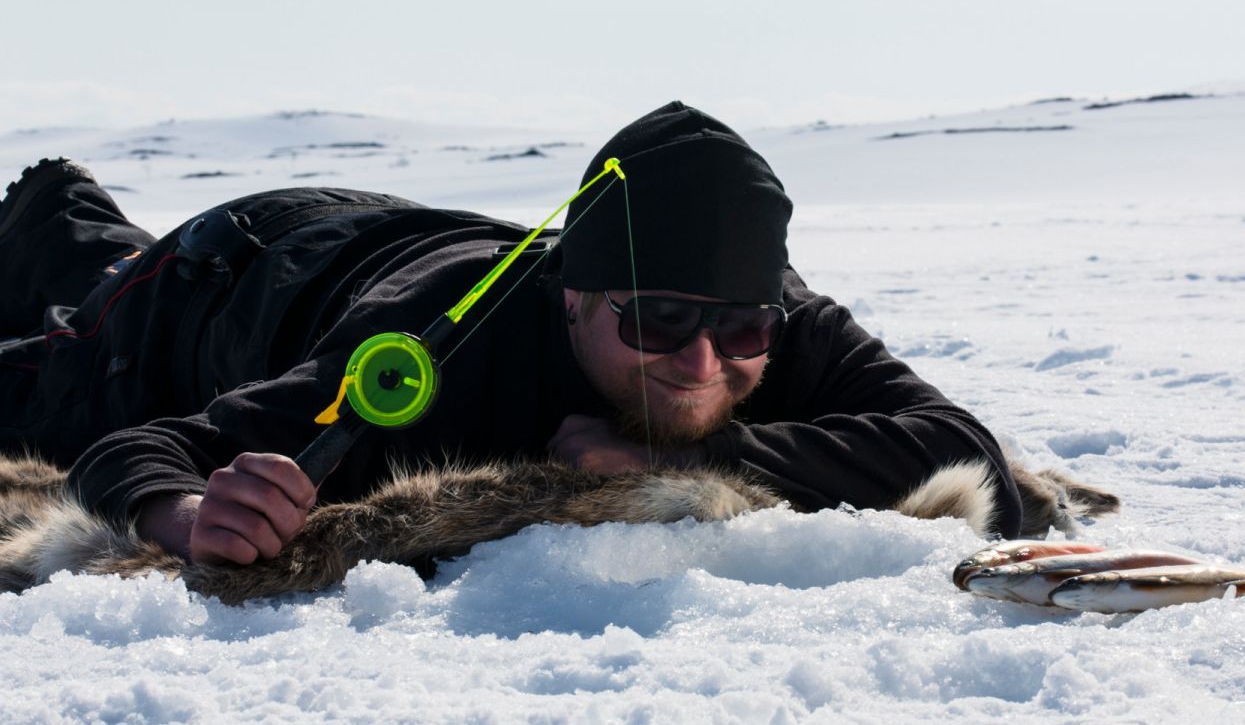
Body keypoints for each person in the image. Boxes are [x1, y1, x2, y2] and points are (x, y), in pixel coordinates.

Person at [0, 102, 1024, 568]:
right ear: (572, 301)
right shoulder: (433, 358)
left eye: (743, 328)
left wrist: (707, 450)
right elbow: (143, 448)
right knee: (60, 344)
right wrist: (182, 513)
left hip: (385, 223)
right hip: (223, 283)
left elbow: (964, 453)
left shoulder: (779, 325)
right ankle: (51, 201)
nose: (705, 365)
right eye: (657, 321)